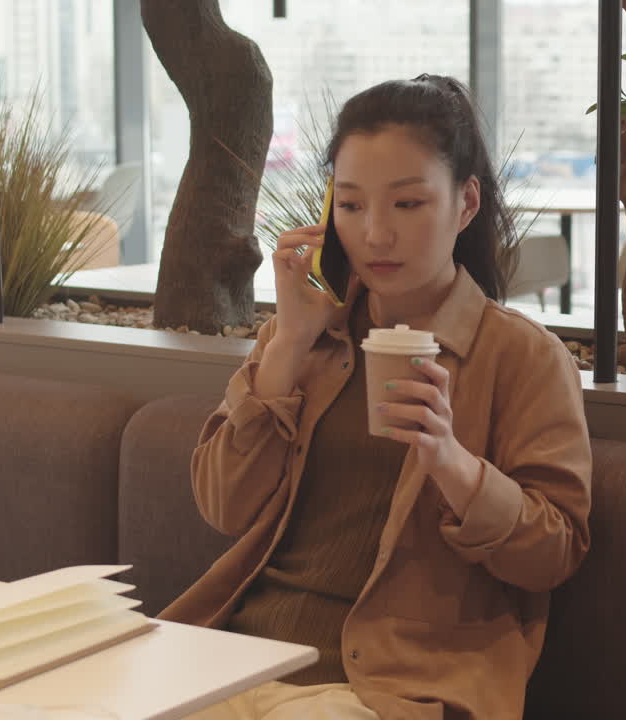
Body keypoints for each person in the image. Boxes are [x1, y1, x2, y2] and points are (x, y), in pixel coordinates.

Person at [166, 75, 593, 719]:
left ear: (466, 203)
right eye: (353, 205)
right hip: (241, 654)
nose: (376, 235)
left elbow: (554, 549)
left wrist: (452, 463)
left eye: (408, 204)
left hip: (390, 686)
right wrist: (287, 346)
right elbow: (223, 505)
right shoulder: (303, 332)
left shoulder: (521, 356)